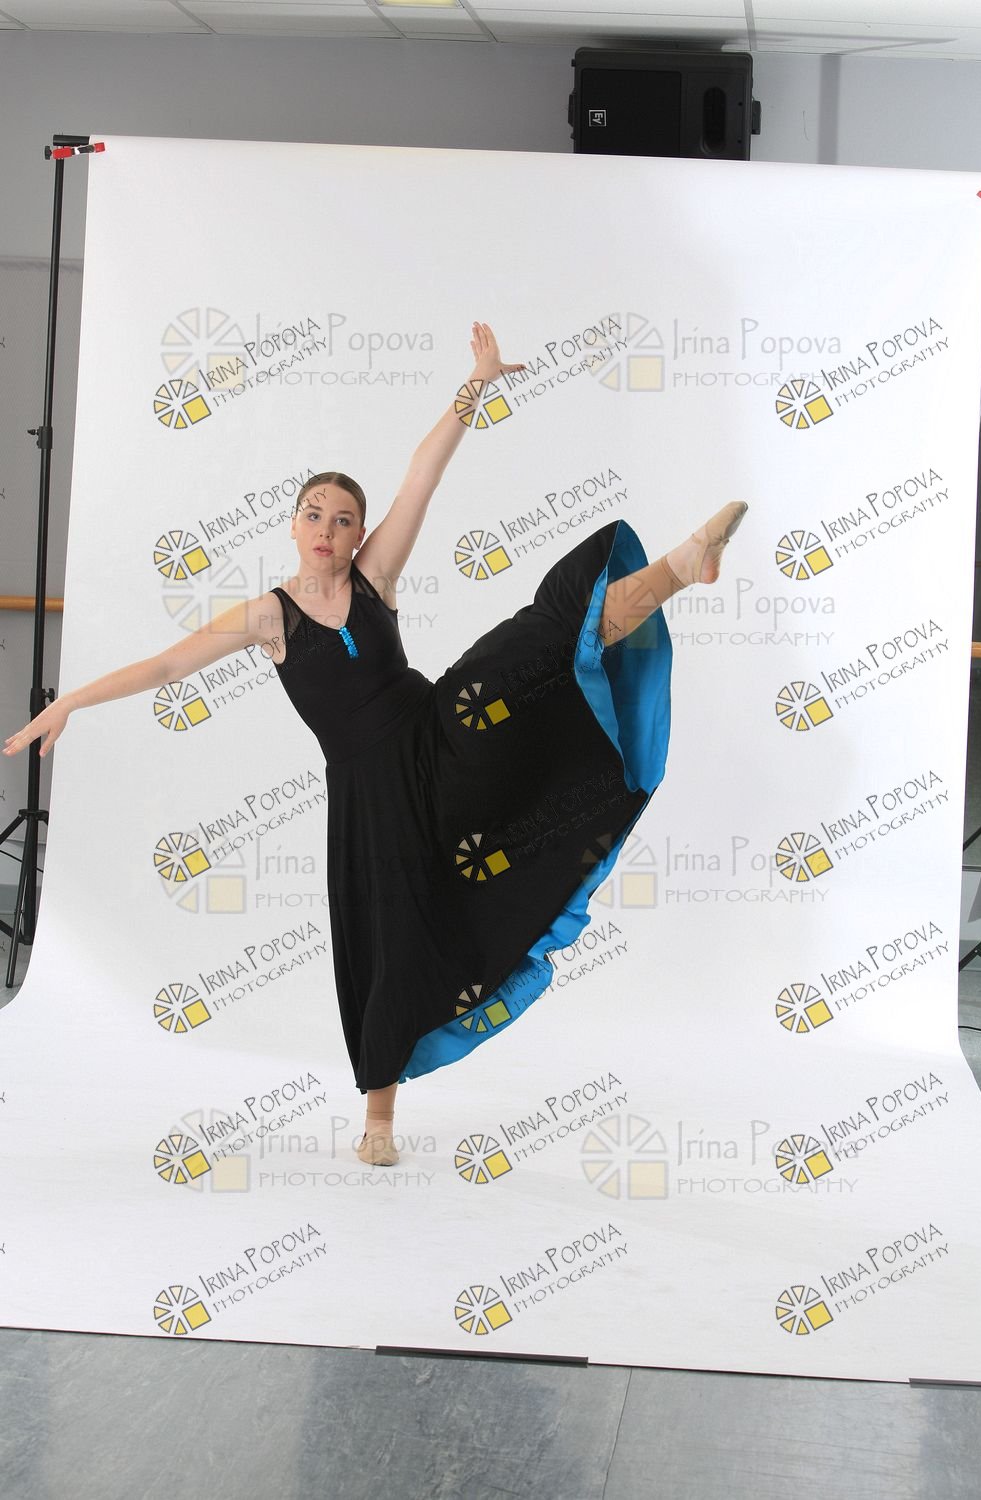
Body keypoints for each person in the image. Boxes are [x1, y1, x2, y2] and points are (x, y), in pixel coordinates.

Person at [4, 321, 747, 1169]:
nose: (327, 527)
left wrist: (476, 383)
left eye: (344, 518)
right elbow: (169, 665)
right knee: (389, 943)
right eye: (314, 514)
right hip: (368, 798)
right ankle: (379, 1121)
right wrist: (72, 702)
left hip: (444, 737)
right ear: (293, 526)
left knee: (538, 645)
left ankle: (683, 564)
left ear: (360, 535)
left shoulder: (373, 578)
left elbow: (423, 473)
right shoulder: (268, 616)